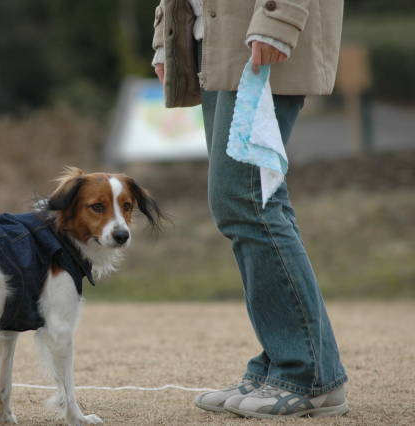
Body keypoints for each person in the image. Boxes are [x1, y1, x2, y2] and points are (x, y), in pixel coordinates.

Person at [151, 0, 348, 418]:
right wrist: (167, 36)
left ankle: (305, 371)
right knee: (253, 200)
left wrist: (280, 17)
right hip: (217, 43)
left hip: (259, 36)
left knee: (244, 199)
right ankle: (288, 363)